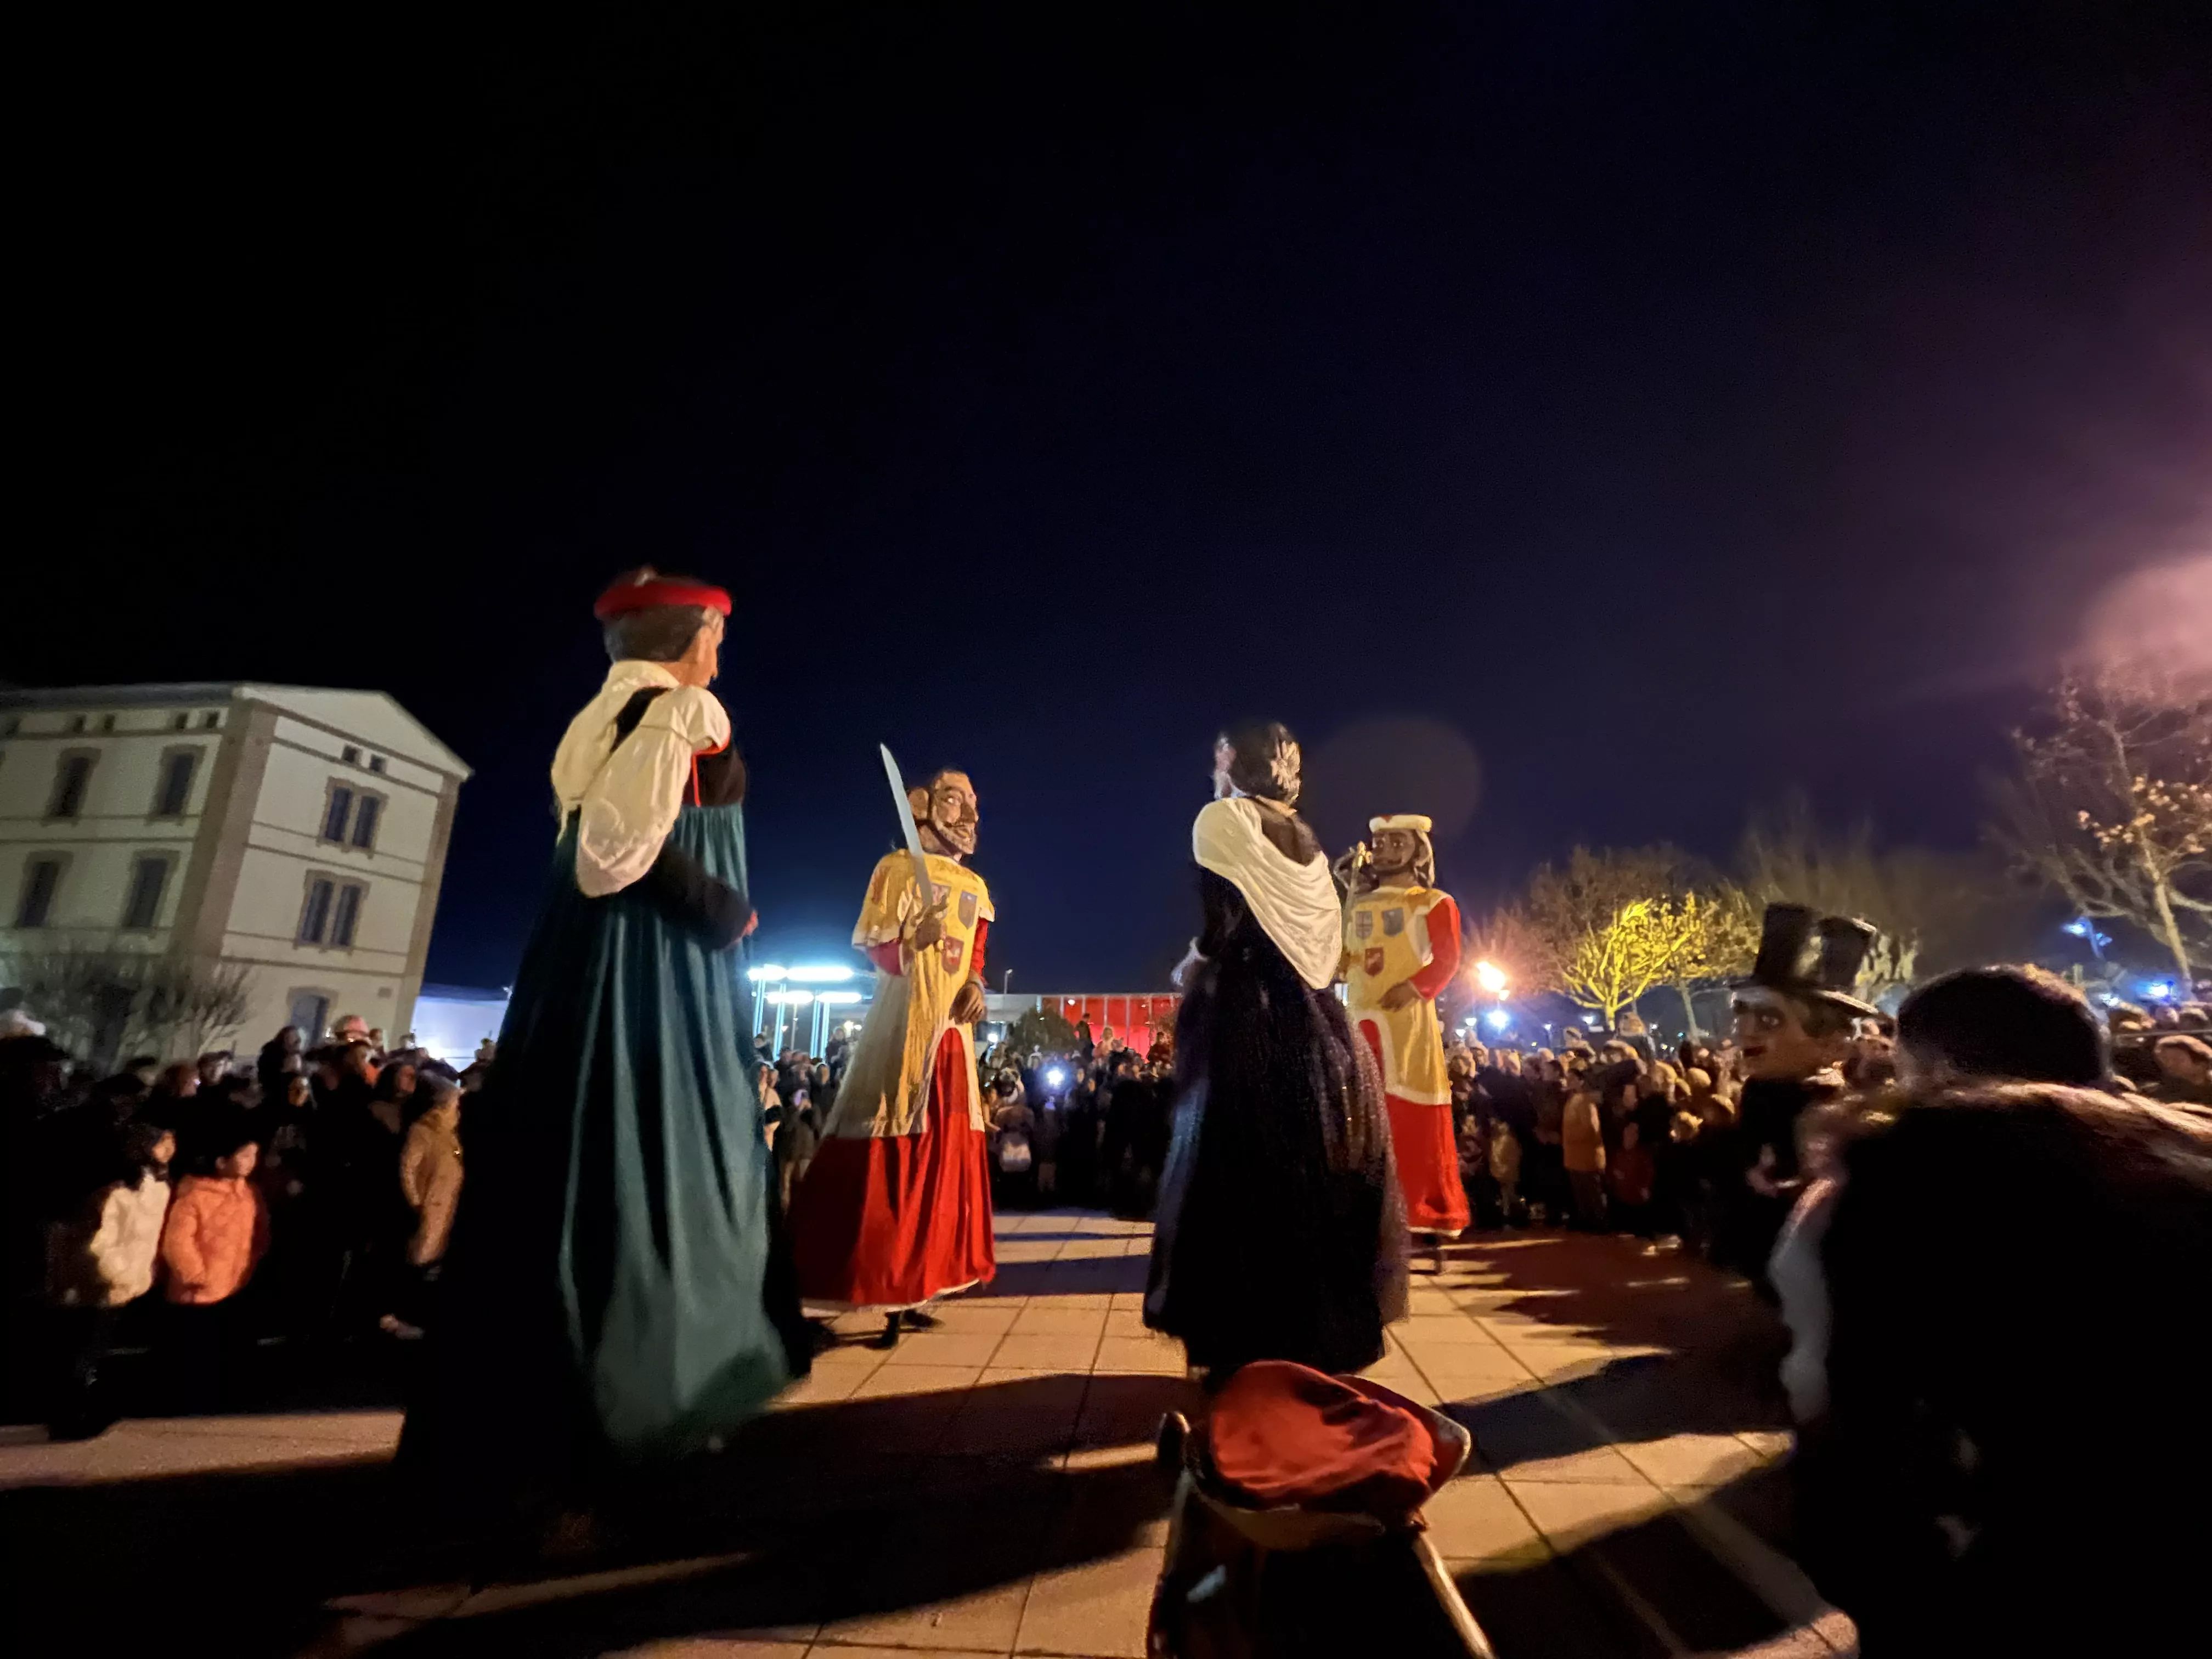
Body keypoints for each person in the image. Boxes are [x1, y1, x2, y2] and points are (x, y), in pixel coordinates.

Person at [405, 567, 802, 1516]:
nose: (718, 650)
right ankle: (638, 1406)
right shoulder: (674, 713)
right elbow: (615, 850)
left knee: (582, 1152)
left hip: (592, 964)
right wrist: (720, 905)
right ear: (685, 637)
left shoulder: (608, 718)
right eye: (711, 633)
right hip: (647, 966)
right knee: (650, 1149)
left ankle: (601, 1405)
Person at [1146, 722, 1406, 1380]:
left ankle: (1238, 1343)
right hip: (1318, 1021)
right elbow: (1321, 941)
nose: (1215, 767)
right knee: (1315, 1170)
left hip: (1249, 1013)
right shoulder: (1310, 840)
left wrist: (1192, 964)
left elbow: (1222, 920)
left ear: (1239, 762)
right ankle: (1311, 1340)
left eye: (1220, 755)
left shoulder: (1222, 818)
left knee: (1232, 1169)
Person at [792, 768, 997, 1347]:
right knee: (894, 1147)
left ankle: (923, 1284)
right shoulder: (895, 870)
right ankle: (882, 1286)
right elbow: (874, 951)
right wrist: (911, 944)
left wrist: (977, 985)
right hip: (905, 1027)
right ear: (924, 805)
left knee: (943, 1162)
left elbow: (977, 954)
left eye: (975, 803)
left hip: (952, 1039)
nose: (969, 813)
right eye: (957, 799)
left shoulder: (975, 888)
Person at [1716, 903, 1878, 1279]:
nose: (1745, 1031)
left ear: (1833, 1045)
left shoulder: (1836, 1112)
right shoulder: (1759, 1095)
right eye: (1742, 1013)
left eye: (1769, 1020)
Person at [1339, 814, 1469, 1270]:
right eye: (1379, 841)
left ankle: (1426, 1216)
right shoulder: (1358, 903)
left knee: (1411, 1115)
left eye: (1398, 841)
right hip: (1360, 1020)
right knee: (1362, 1119)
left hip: (1406, 1023)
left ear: (1418, 850)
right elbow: (1340, 958)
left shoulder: (1432, 902)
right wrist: (1345, 899)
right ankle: (1367, 1218)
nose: (1387, 849)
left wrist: (1414, 988)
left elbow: (1448, 958)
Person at [43, 1121, 173, 1437]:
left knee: (95, 1350)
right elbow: (98, 1245)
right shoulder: (114, 1192)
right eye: (162, 1142)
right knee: (81, 1351)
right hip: (98, 1284)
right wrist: (119, 1274)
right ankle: (69, 1418)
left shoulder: (157, 1187)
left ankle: (79, 1412)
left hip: (125, 1282)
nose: (169, 1148)